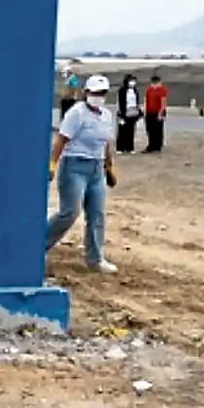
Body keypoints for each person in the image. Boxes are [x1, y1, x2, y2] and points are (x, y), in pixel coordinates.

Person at [47, 73, 119, 274]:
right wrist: (52, 164)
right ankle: (36, 247)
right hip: (74, 166)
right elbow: (62, 140)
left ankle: (95, 258)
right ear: (86, 92)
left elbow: (105, 143)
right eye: (95, 92)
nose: (99, 96)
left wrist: (109, 168)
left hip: (96, 169)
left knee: (97, 214)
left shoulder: (106, 116)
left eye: (102, 93)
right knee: (70, 212)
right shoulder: (76, 113)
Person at [115, 73, 143, 154]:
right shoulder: (122, 91)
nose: (133, 82)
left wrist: (139, 112)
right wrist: (120, 114)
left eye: (133, 81)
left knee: (131, 130)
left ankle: (130, 147)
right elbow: (119, 102)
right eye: (131, 81)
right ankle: (120, 147)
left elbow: (136, 102)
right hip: (124, 112)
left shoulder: (135, 91)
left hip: (133, 112)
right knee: (122, 130)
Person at [143, 73, 169, 153]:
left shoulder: (162, 90)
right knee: (150, 129)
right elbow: (146, 101)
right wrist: (144, 111)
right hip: (149, 112)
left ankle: (157, 146)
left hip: (157, 112)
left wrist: (160, 113)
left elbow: (163, 102)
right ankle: (151, 145)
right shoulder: (149, 90)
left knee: (158, 129)